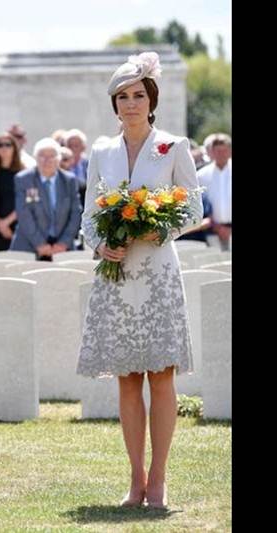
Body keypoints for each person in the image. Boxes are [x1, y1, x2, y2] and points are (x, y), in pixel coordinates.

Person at [76, 52, 203, 510]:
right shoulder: (101, 151)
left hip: (159, 274)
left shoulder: (173, 146)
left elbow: (193, 207)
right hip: (117, 274)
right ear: (115, 104)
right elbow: (89, 214)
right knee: (127, 380)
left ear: (151, 100)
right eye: (123, 96)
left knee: (161, 376)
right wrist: (99, 244)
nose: (131, 103)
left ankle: (159, 479)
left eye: (138, 95)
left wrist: (162, 228)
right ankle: (135, 480)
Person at [10, 137, 81, 260]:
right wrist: (40, 244)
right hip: (29, 247)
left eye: (51, 156)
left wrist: (63, 243)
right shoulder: (24, 179)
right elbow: (24, 214)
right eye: (42, 155)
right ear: (35, 158)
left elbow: (76, 213)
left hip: (63, 249)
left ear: (58, 159)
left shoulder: (69, 180)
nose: (46, 160)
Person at [0, 132, 25, 251]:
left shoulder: (23, 174)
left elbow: (25, 201)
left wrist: (7, 222)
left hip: (17, 226)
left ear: (14, 148)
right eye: (0, 145)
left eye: (8, 144)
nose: (4, 148)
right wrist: (0, 224)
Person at [196, 133, 231, 250]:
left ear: (229, 151)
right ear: (212, 152)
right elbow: (200, 203)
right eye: (217, 151)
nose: (221, 154)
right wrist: (218, 227)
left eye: (224, 151)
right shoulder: (201, 175)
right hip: (212, 230)